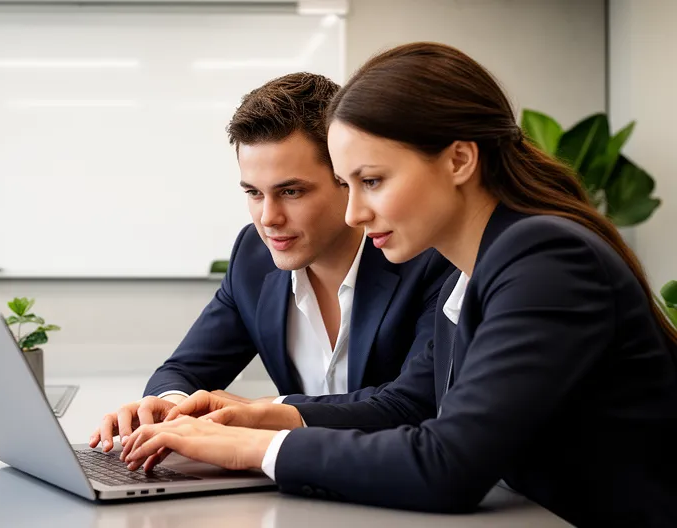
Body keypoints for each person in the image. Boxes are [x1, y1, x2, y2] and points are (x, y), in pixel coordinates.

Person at [118, 42, 677, 527]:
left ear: (459, 160)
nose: (356, 213)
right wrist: (257, 415)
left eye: (373, 181)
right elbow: (412, 401)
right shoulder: (480, 260)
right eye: (348, 183)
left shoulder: (544, 256)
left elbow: (447, 465)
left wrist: (255, 447)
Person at [89, 73, 453, 453]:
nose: (268, 218)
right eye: (254, 193)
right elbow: (184, 370)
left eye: (291, 192)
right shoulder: (253, 256)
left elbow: (417, 404)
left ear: (347, 179)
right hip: (293, 492)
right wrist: (171, 408)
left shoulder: (426, 259)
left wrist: (261, 413)